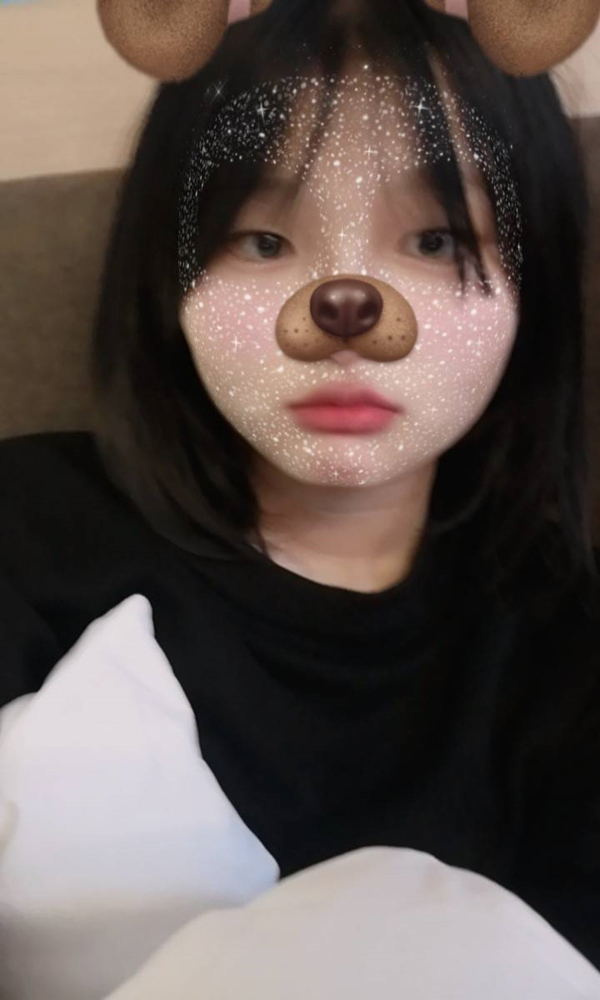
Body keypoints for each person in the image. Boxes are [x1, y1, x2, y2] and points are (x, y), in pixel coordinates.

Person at [0, 0, 598, 997]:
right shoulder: (27, 530)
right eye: (264, 240)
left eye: (436, 240)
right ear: (169, 271)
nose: (343, 309)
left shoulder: (567, 645)